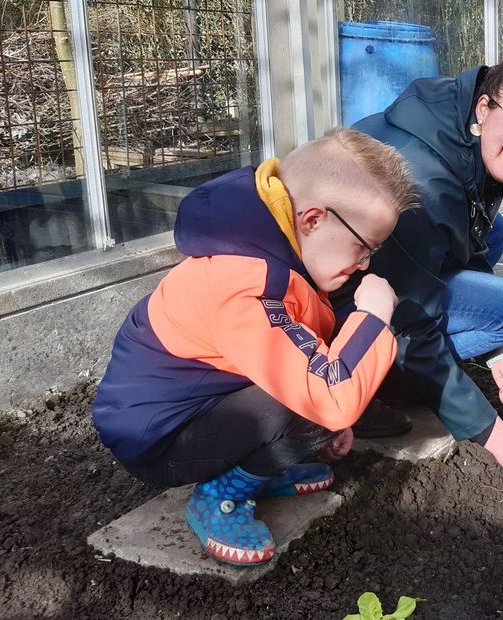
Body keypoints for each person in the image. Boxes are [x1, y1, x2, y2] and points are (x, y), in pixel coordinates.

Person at [91, 128, 417, 565]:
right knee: (313, 408)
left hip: (201, 405)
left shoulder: (272, 252)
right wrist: (374, 316)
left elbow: (303, 351)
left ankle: (256, 471)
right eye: (362, 247)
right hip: (160, 441)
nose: (363, 265)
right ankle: (219, 495)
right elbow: (330, 395)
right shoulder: (244, 283)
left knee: (318, 405)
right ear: (313, 219)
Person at [331, 26, 503, 486]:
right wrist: (493, 433)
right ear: (485, 106)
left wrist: (499, 356)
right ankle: (369, 383)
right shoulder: (422, 183)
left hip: (383, 272)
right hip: (333, 314)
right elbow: (411, 323)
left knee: (493, 233)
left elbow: (466, 234)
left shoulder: (456, 117)